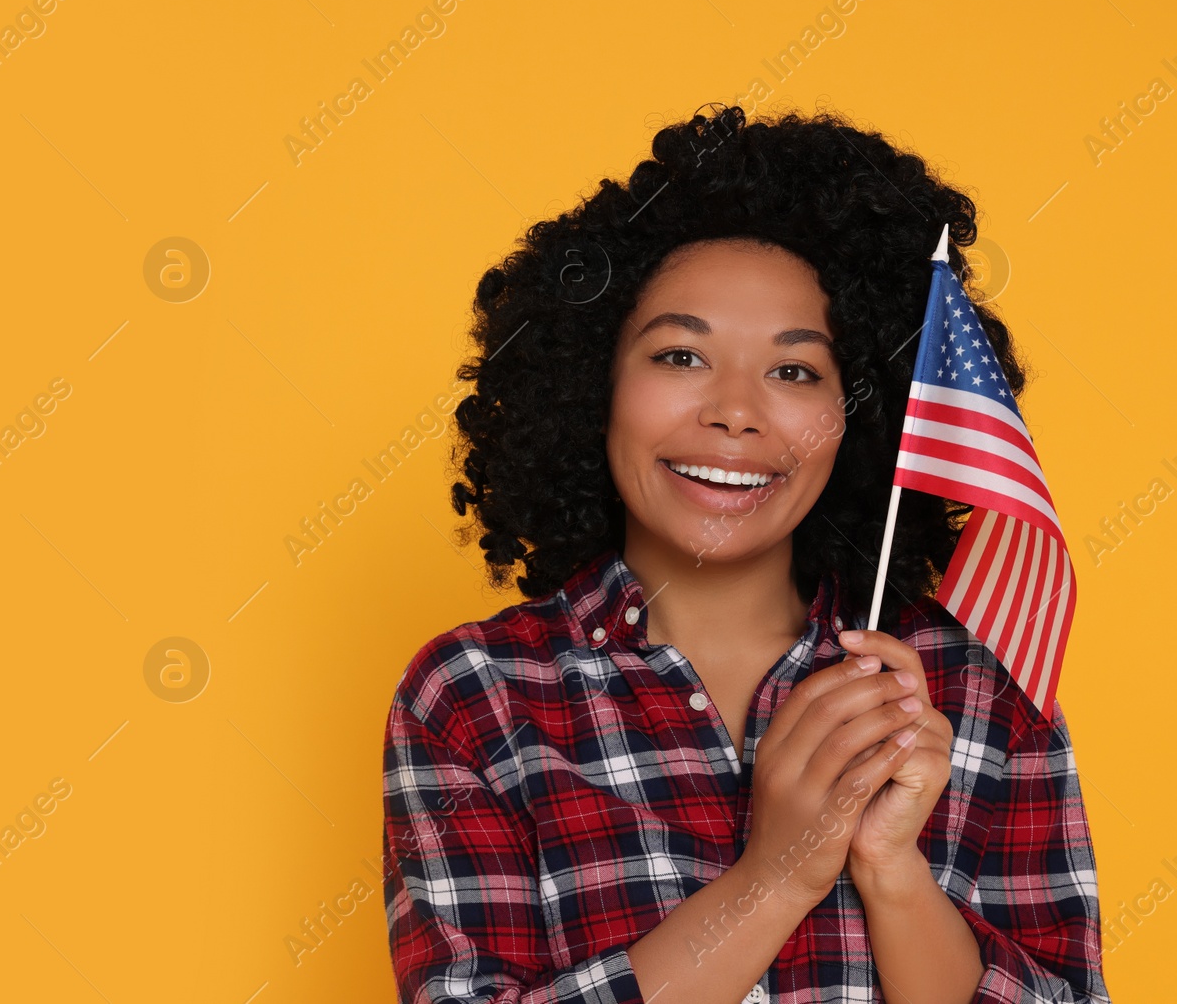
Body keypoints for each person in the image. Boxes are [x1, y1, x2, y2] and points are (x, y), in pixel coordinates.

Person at [381, 103, 1110, 1003]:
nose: (735, 410)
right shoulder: (476, 696)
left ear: (862, 415)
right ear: (592, 387)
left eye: (796, 370)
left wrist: (891, 870)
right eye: (681, 356)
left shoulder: (978, 687)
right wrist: (778, 876)